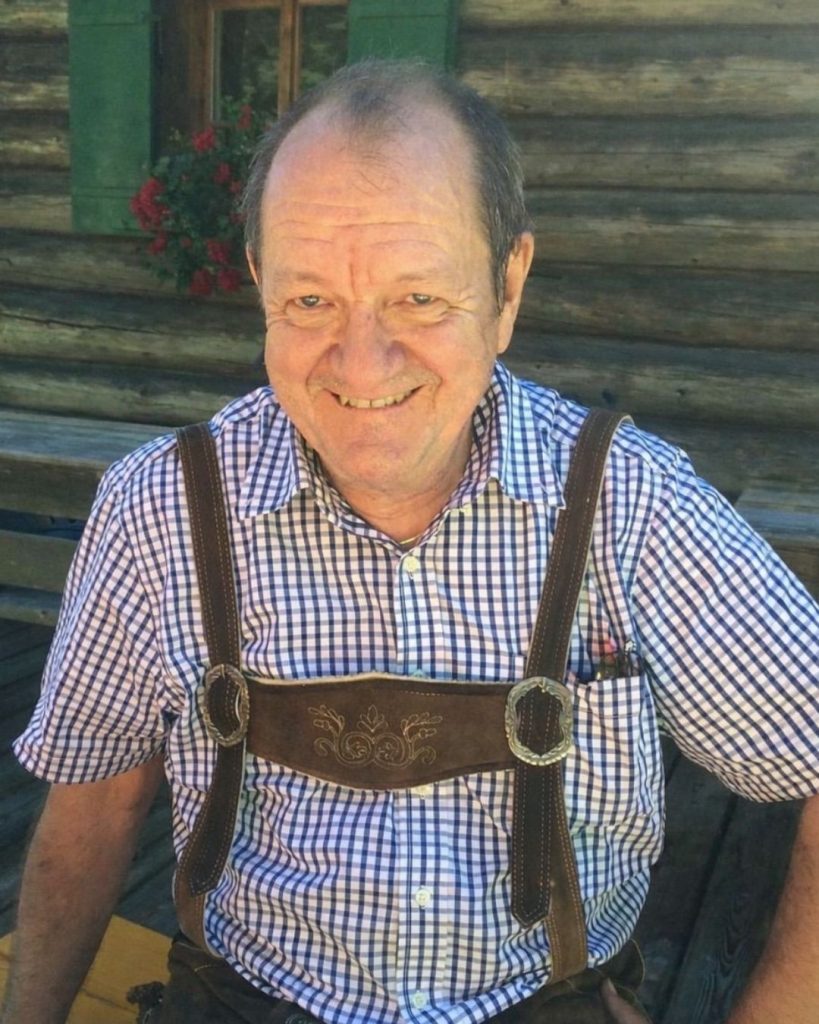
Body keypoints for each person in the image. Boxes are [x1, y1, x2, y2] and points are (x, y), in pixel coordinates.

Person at [2, 59, 818, 1024]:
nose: (361, 366)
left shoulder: (632, 506)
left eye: (418, 298)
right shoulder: (162, 508)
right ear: (260, 282)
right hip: (243, 1001)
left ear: (506, 286)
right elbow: (93, 803)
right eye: (311, 301)